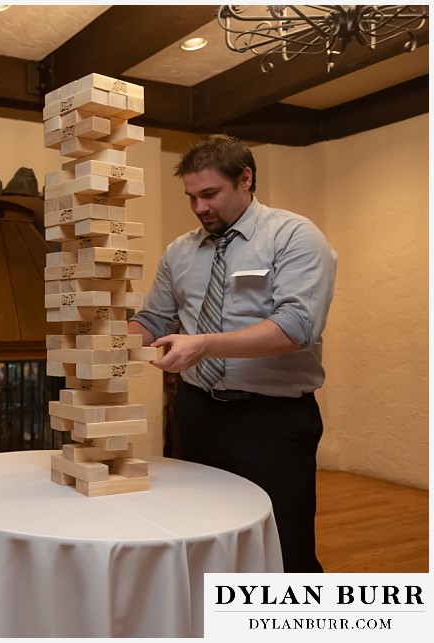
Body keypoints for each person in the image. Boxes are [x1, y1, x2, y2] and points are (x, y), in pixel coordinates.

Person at [128, 134, 337, 573]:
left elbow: (296, 327)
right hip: (196, 412)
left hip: (271, 421)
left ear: (246, 179)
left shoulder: (294, 236)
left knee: (282, 547)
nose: (200, 208)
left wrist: (203, 344)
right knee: (204, 536)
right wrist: (102, 342)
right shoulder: (179, 252)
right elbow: (154, 321)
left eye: (210, 194)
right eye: (191, 197)